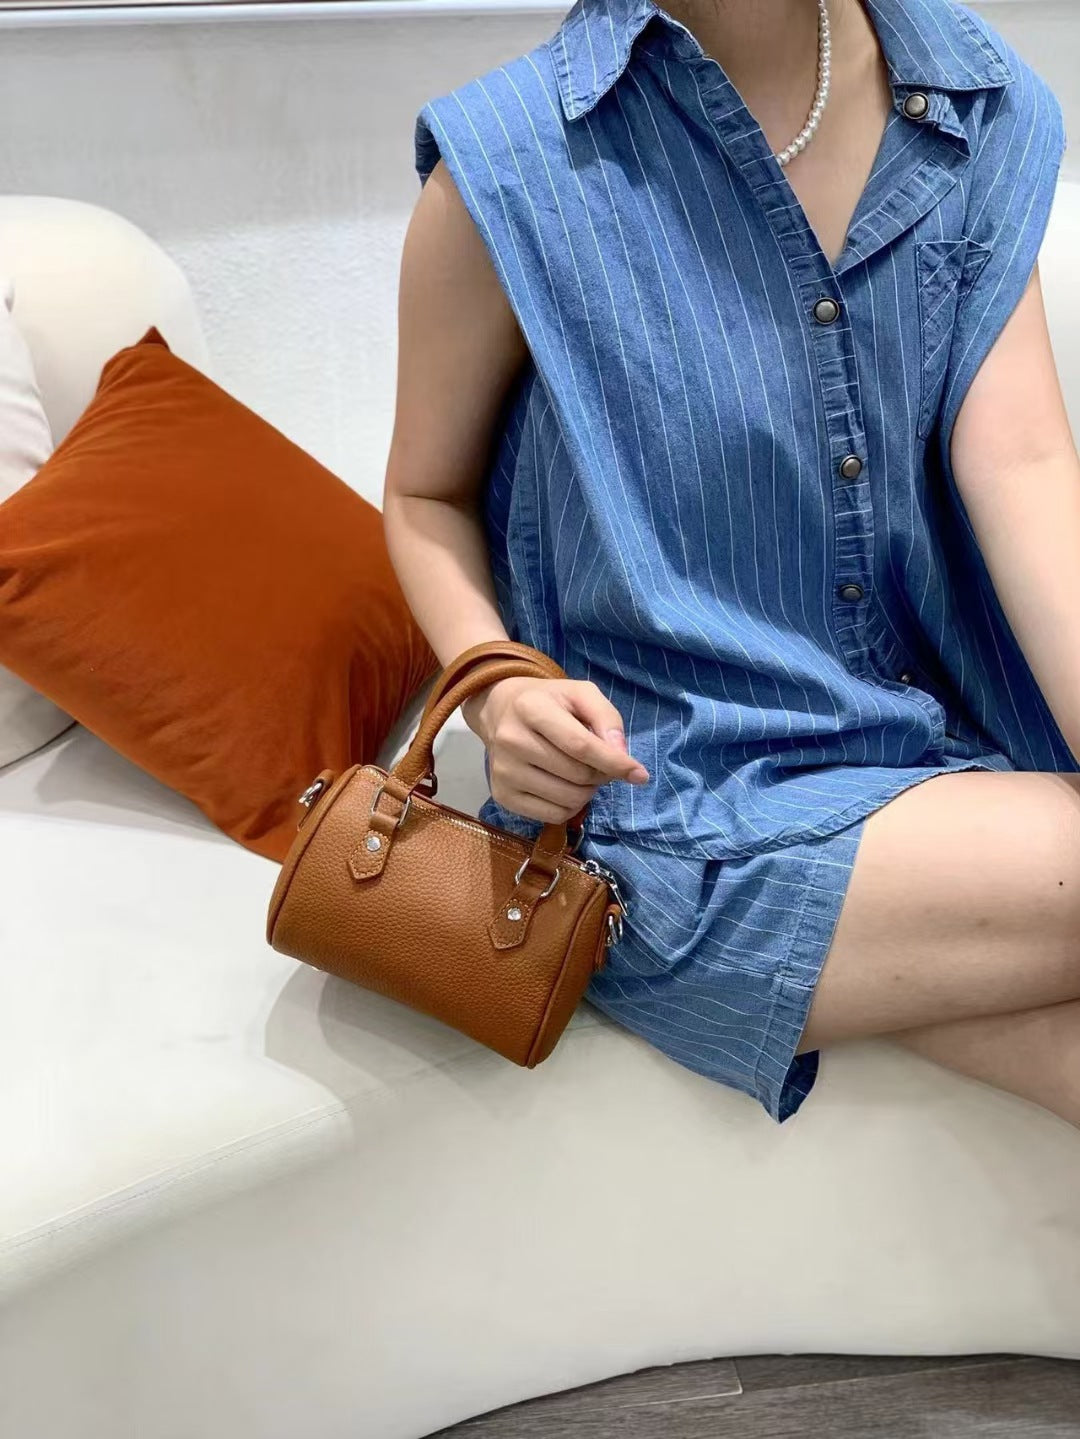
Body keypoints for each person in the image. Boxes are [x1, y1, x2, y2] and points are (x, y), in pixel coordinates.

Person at [382, 0, 1080, 1128]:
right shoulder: (511, 158)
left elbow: (1026, 463)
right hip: (678, 789)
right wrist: (497, 688)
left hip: (946, 737)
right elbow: (425, 495)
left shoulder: (973, 104)